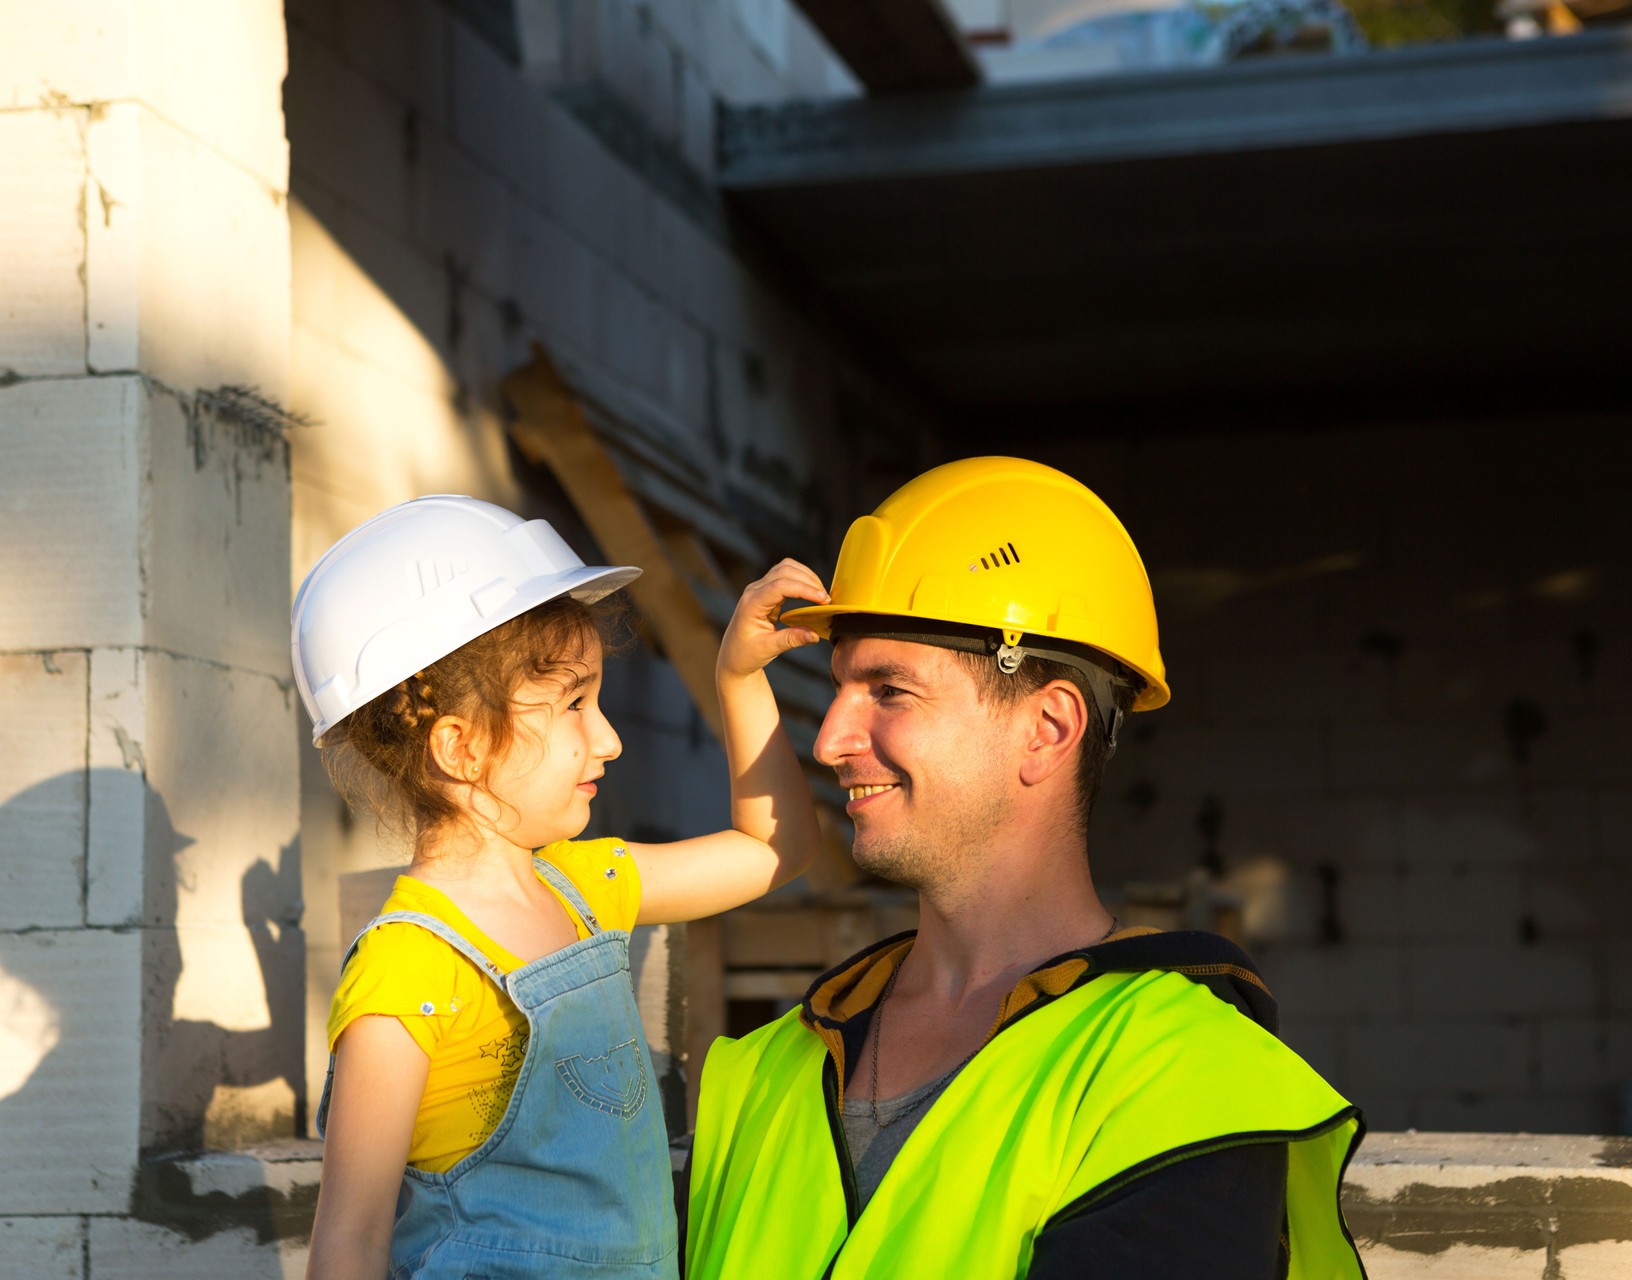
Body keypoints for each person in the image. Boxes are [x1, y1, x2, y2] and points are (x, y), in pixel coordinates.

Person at [684, 458, 1367, 1280]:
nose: (829, 740)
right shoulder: (766, 1071)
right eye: (840, 688)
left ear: (1046, 728)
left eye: (890, 691)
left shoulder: (1182, 1075)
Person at [293, 495, 825, 1280]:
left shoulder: (589, 885)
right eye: (574, 703)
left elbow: (777, 848)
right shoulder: (407, 972)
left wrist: (738, 676)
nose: (608, 737)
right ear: (461, 746)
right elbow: (350, 1243)